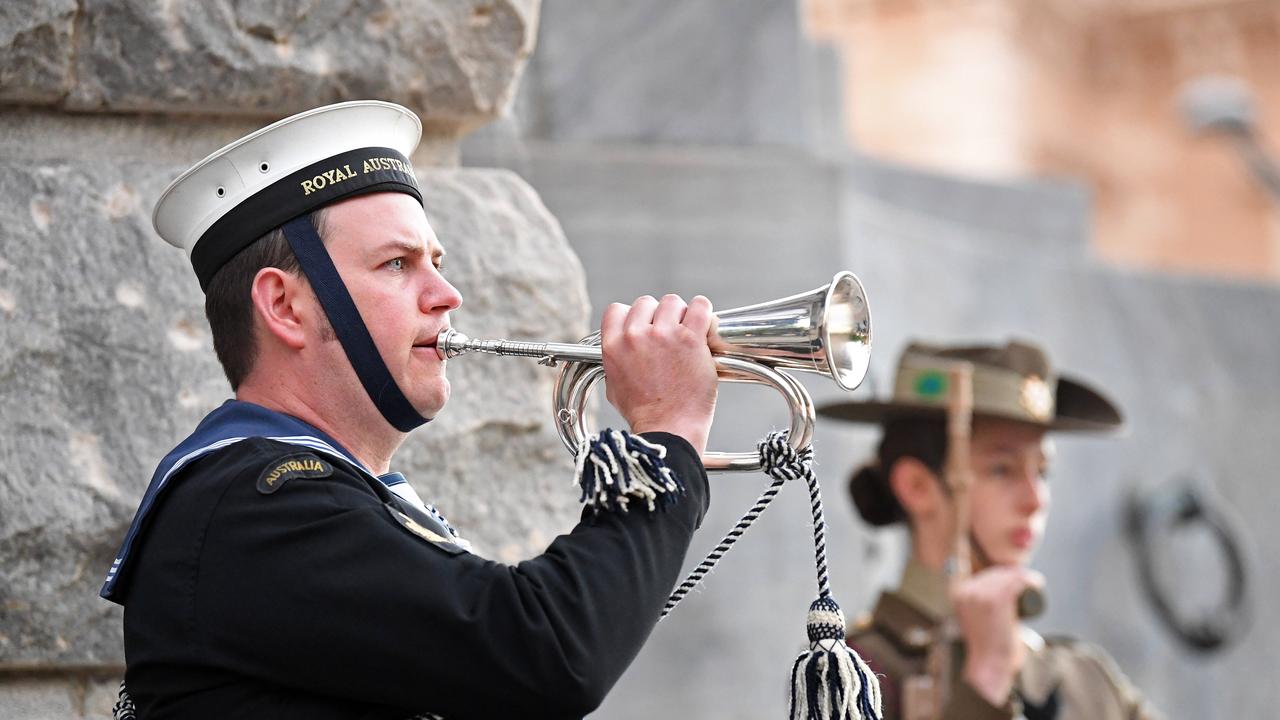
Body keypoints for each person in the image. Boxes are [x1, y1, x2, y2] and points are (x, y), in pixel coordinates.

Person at [99, 101, 720, 719]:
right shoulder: (256, 505)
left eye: (436, 263)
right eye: (397, 264)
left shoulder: (319, 500)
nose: (446, 295)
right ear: (285, 306)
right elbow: (548, 653)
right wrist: (666, 431)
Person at [818, 340, 1161, 720]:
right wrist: (985, 678)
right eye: (1002, 470)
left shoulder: (1088, 681)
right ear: (917, 486)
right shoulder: (853, 675)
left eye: (1042, 472)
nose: (1035, 500)